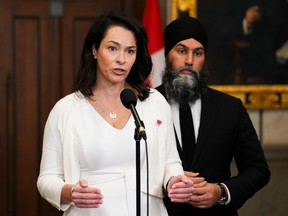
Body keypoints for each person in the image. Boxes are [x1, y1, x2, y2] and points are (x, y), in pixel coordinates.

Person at [37, 11, 194, 216]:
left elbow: (171, 162)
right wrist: (70, 192)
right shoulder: (66, 110)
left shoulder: (154, 101)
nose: (121, 59)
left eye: (130, 51)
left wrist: (174, 180)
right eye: (112, 49)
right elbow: (46, 178)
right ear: (94, 50)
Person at [156, 16, 271, 216]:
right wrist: (167, 182)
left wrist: (221, 192)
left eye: (198, 53)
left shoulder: (230, 108)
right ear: (167, 55)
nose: (189, 61)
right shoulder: (145, 104)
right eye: (181, 51)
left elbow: (258, 170)